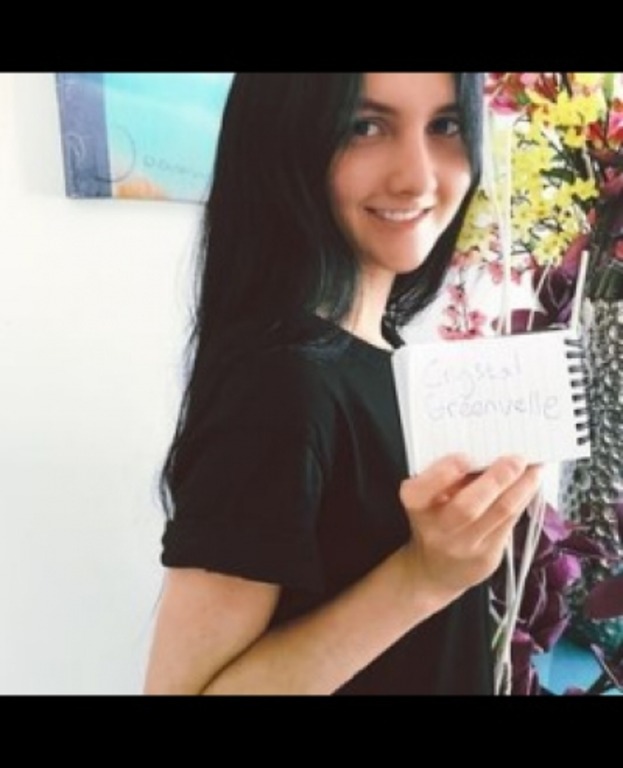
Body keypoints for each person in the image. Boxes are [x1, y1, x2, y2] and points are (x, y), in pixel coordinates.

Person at [143, 72, 542, 695]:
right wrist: (422, 578)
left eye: (445, 125)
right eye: (366, 127)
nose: (419, 177)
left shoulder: (386, 353)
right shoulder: (279, 385)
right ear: (285, 138)